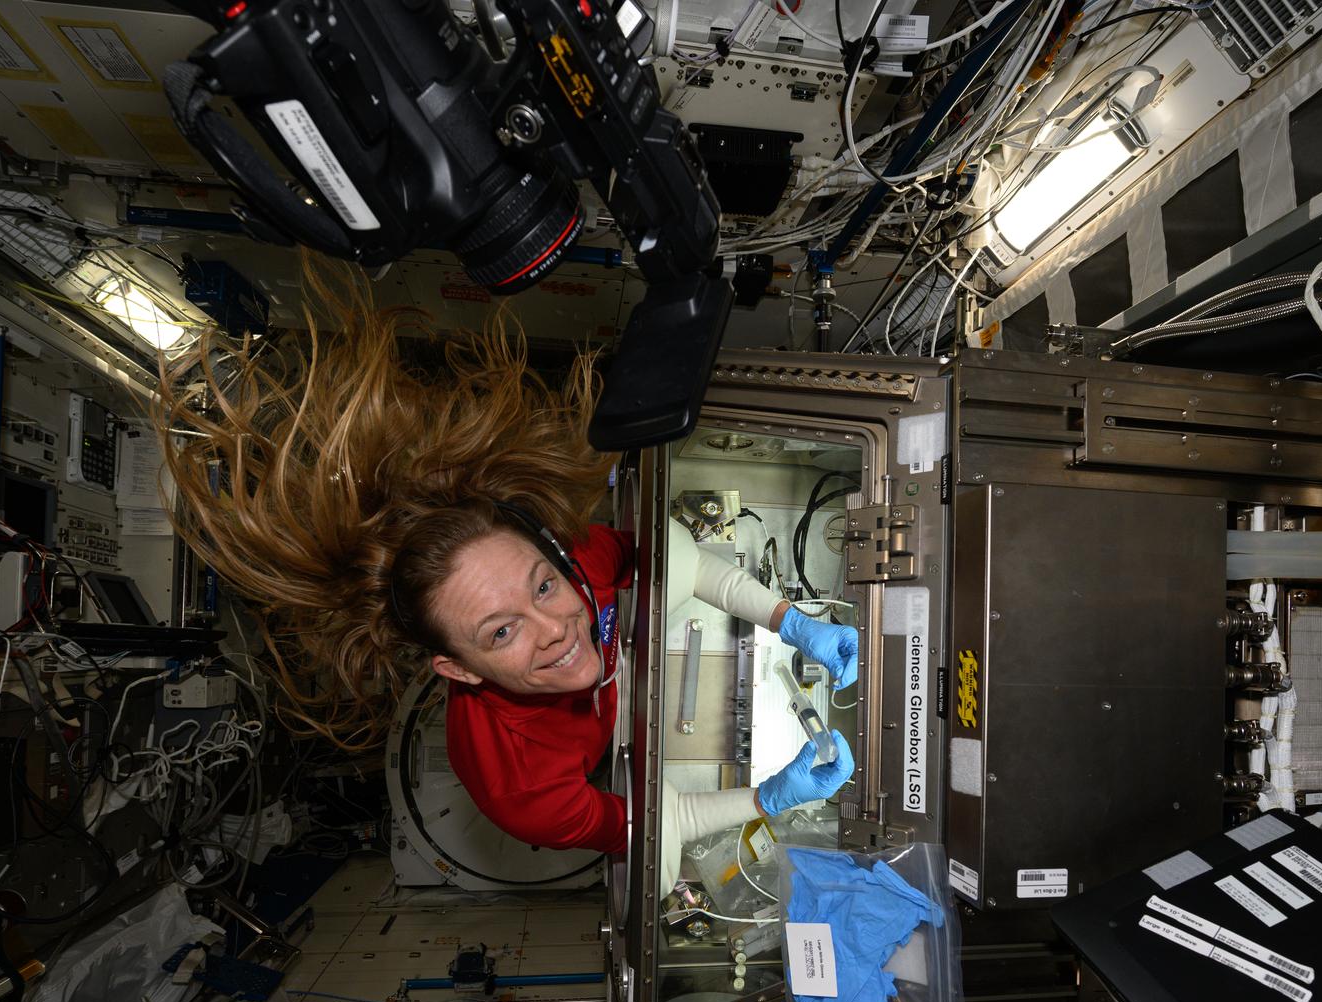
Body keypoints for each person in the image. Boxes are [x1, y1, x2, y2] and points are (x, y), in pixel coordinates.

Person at [158, 271, 859, 872]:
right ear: (457, 669)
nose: (556, 629)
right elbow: (645, 827)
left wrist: (790, 621)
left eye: (543, 587)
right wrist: (770, 799)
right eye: (500, 634)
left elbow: (683, 563)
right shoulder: (513, 785)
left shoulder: (574, 564)